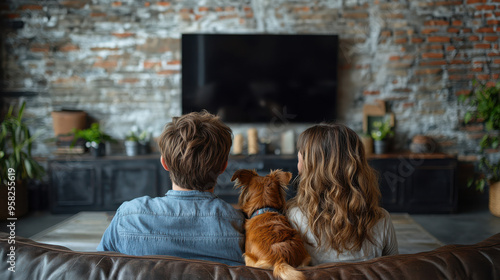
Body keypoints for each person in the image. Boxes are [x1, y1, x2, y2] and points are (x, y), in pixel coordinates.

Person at [97, 111, 245, 266]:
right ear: (223, 166)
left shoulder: (128, 217)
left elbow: (98, 270)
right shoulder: (241, 226)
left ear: (164, 163)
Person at [287, 123, 398, 265]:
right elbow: (394, 271)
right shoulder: (382, 220)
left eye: (299, 159)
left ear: (307, 169)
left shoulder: (292, 218)